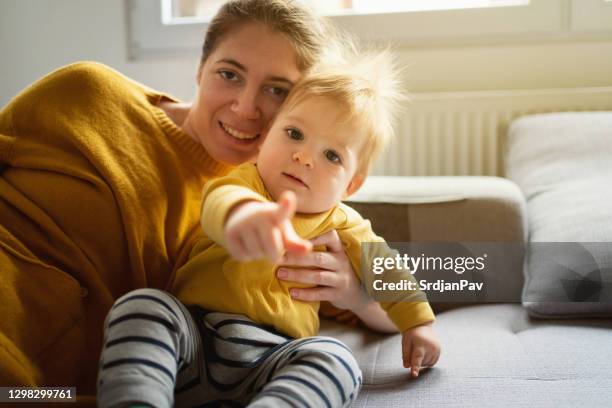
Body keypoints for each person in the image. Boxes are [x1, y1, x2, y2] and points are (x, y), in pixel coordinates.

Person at [0, 0, 390, 394]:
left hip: (43, 393)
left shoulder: (287, 207)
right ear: (201, 68)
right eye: (229, 74)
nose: (245, 107)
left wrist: (355, 294)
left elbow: (446, 274)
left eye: (276, 90)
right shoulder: (89, 91)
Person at [97, 49, 441, 407]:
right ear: (264, 140)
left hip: (274, 358)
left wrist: (418, 325)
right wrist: (245, 217)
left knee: (336, 360)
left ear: (351, 186)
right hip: (196, 338)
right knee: (144, 307)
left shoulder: (344, 224)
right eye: (294, 133)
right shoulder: (245, 184)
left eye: (331, 155)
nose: (304, 157)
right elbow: (221, 202)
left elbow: (388, 271)